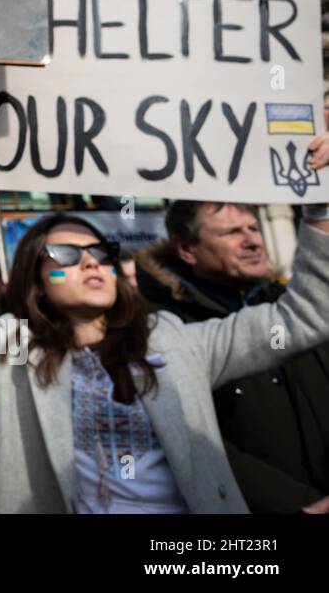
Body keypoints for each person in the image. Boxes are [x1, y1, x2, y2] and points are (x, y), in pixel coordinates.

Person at [0, 131, 329, 513]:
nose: (90, 261)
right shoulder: (12, 348)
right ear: (36, 279)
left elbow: (304, 318)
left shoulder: (178, 341)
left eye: (101, 252)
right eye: (67, 255)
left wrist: (320, 201)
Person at [136, 200, 329, 513]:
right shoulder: (161, 331)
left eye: (253, 228)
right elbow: (191, 440)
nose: (252, 240)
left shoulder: (294, 308)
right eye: (231, 232)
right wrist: (298, 504)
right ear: (187, 249)